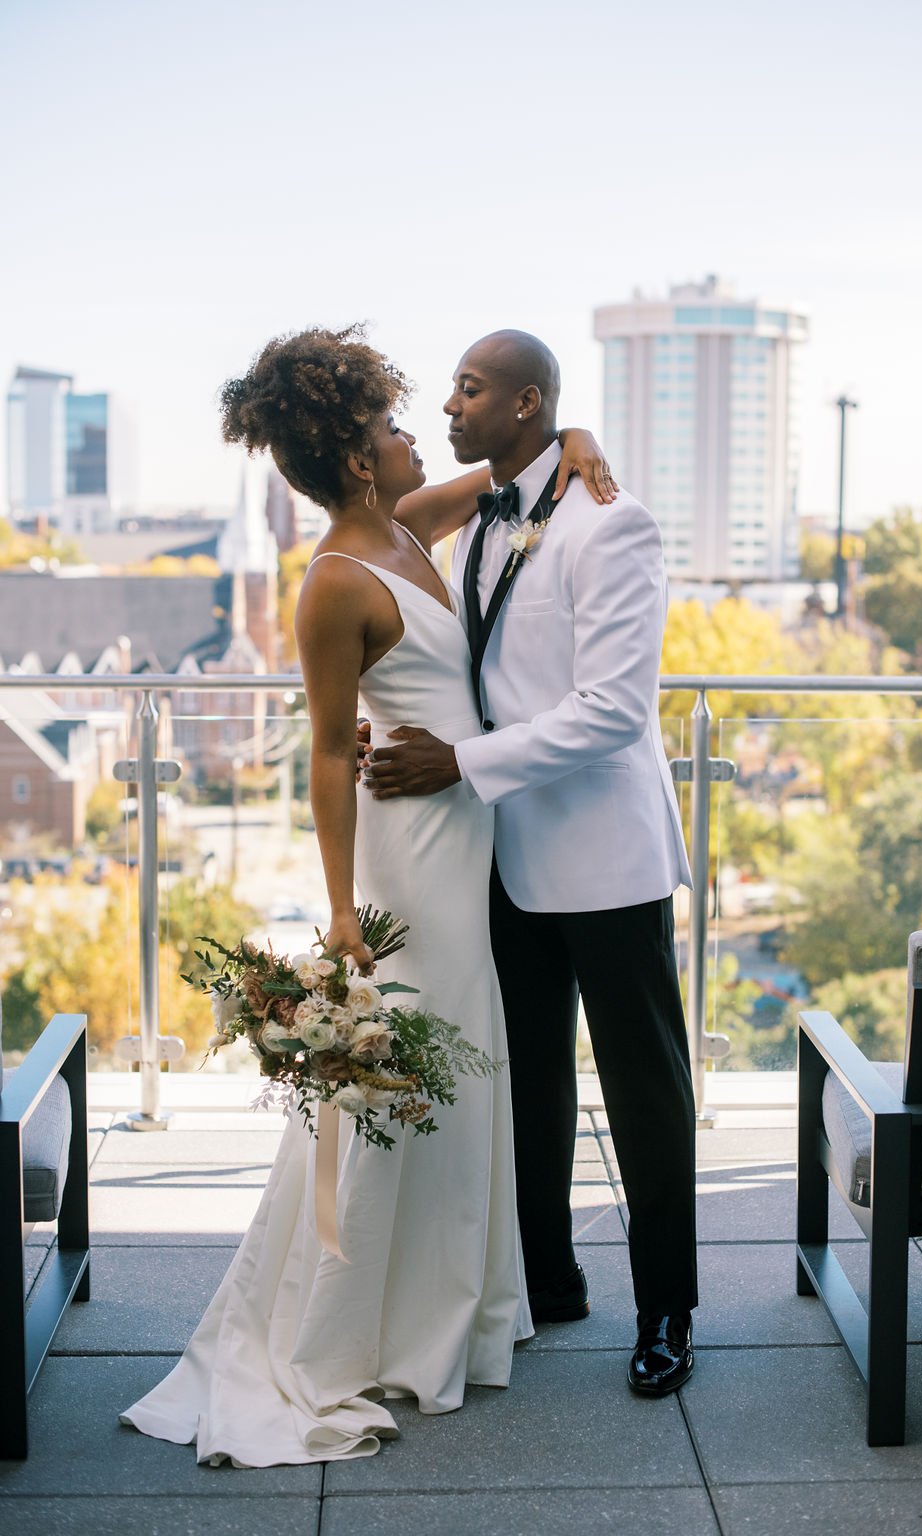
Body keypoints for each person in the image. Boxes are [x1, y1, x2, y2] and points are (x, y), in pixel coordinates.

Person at [118, 326, 613, 1465]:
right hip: (408, 857)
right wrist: (338, 911)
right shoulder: (335, 581)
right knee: (395, 1086)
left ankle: (455, 1309)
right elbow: (328, 756)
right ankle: (349, 1330)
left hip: (470, 831)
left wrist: (574, 434)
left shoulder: (404, 526)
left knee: (462, 1069)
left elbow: (507, 469)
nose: (413, 434)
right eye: (393, 428)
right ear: (355, 461)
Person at [362, 329, 699, 1395]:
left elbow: (611, 711)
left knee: (645, 1089)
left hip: (603, 857)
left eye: (471, 389)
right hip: (497, 855)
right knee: (530, 1086)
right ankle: (546, 1281)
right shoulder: (475, 520)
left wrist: (460, 762)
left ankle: (667, 1312)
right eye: (452, 390)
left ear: (525, 400)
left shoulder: (613, 525)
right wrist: (543, 448)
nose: (451, 405)